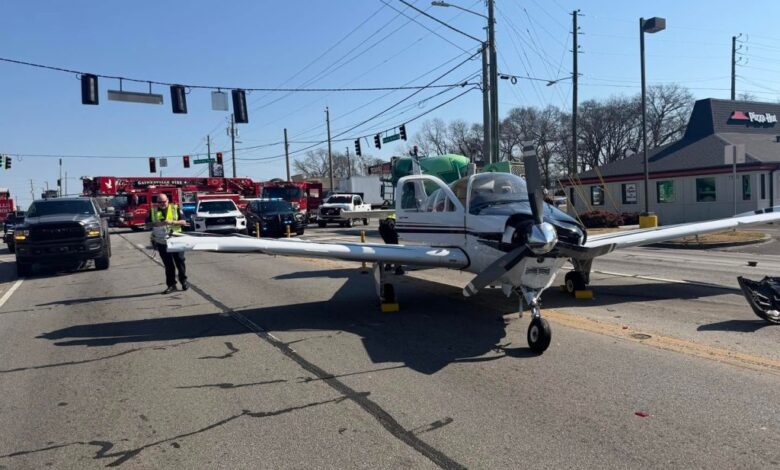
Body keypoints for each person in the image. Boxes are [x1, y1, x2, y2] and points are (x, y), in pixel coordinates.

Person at [148, 194, 188, 294]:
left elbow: (184, 222)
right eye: (159, 202)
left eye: (164, 202)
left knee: (180, 262)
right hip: (162, 241)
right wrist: (158, 224)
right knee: (168, 265)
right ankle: (171, 285)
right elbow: (147, 224)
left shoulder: (175, 208)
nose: (162, 204)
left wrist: (172, 222)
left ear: (168, 200)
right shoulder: (153, 211)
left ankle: (183, 281)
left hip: (176, 240)